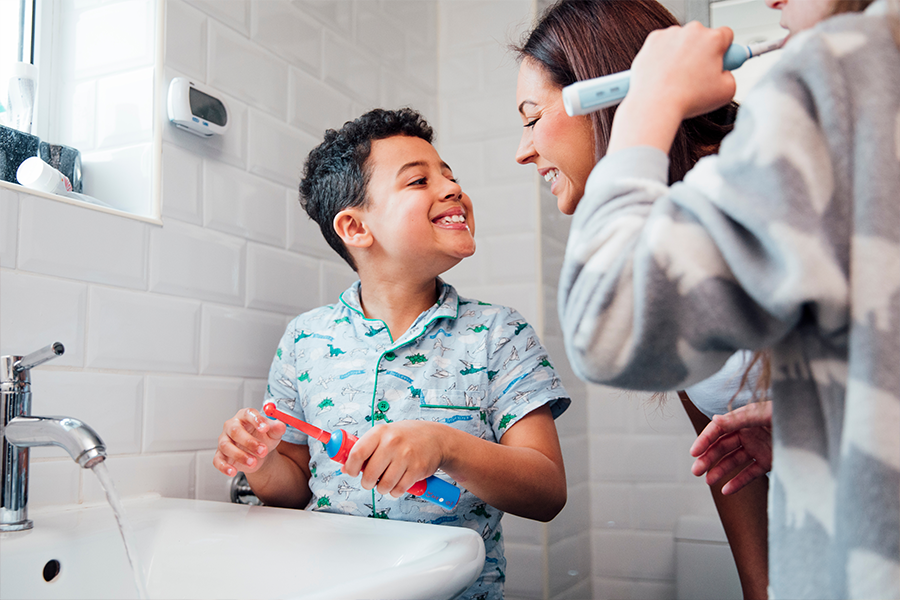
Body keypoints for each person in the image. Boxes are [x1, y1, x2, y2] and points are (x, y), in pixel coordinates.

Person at [556, 0, 900, 596]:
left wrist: (648, 105)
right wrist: (814, 418)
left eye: (532, 117)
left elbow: (605, 325)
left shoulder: (842, 66)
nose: (774, 1)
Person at [213, 107, 570, 600]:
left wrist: (445, 446)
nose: (451, 188)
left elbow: (547, 492)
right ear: (356, 228)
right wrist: (260, 462)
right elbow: (295, 487)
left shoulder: (499, 334)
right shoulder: (304, 340)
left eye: (450, 175)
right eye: (419, 180)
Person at [513, 1, 768, 597]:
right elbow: (730, 461)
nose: (523, 150)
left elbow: (602, 337)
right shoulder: (662, 237)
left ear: (608, 94)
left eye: (531, 118)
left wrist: (644, 109)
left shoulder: (751, 186)